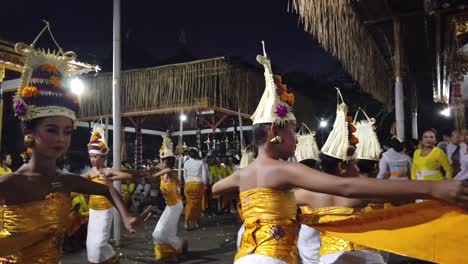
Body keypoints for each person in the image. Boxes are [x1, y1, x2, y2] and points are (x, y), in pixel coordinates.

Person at [212, 45, 468, 264]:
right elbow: (346, 187)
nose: (296, 137)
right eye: (292, 130)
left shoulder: (243, 175)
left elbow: (216, 188)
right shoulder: (285, 170)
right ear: (274, 131)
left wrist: (268, 208)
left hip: (244, 257)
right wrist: (433, 189)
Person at [0, 41, 149, 263]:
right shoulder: (10, 182)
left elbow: (108, 191)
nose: (61, 138)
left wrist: (126, 217)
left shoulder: (66, 181)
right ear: (30, 132)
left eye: (67, 131)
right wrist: (35, 236)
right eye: (52, 130)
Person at [83, 123, 138, 263]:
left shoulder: (108, 170)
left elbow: (127, 176)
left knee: (100, 243)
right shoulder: (90, 173)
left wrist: (110, 178)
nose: (92, 159)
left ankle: (111, 256)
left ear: (103, 157)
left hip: (105, 210)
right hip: (93, 210)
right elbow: (78, 181)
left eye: (95, 157)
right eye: (91, 156)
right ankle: (110, 258)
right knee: (91, 245)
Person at [147, 135, 187, 261]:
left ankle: (177, 247)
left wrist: (155, 174)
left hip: (175, 206)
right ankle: (173, 251)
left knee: (161, 233)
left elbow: (168, 170)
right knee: (163, 233)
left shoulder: (170, 173)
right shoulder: (163, 174)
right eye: (161, 160)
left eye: (163, 161)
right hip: (170, 206)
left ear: (166, 162)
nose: (161, 162)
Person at [183, 147, 210, 229]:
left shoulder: (186, 163)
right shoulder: (201, 163)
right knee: (197, 204)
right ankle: (196, 222)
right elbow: (204, 175)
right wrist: (205, 184)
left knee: (189, 203)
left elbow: (184, 175)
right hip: (198, 184)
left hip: (188, 184)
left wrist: (187, 181)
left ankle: (187, 222)